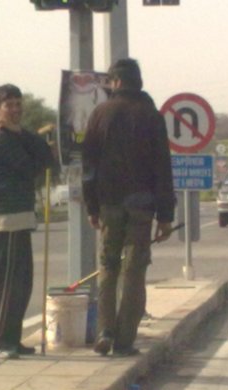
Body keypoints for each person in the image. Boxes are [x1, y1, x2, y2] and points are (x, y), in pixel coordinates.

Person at [82, 58, 175, 357]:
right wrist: (165, 216)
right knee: (134, 270)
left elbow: (89, 167)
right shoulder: (151, 116)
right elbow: (163, 169)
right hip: (142, 206)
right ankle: (124, 340)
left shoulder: (100, 114)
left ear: (116, 82)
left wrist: (92, 206)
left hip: (109, 204)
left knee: (108, 266)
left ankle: (105, 330)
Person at [0, 84, 54, 359]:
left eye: (17, 104)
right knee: (6, 282)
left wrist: (23, 134)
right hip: (5, 217)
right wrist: (26, 140)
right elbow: (29, 167)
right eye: (8, 105)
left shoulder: (17, 136)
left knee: (23, 282)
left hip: (21, 216)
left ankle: (12, 337)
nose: (15, 110)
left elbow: (46, 160)